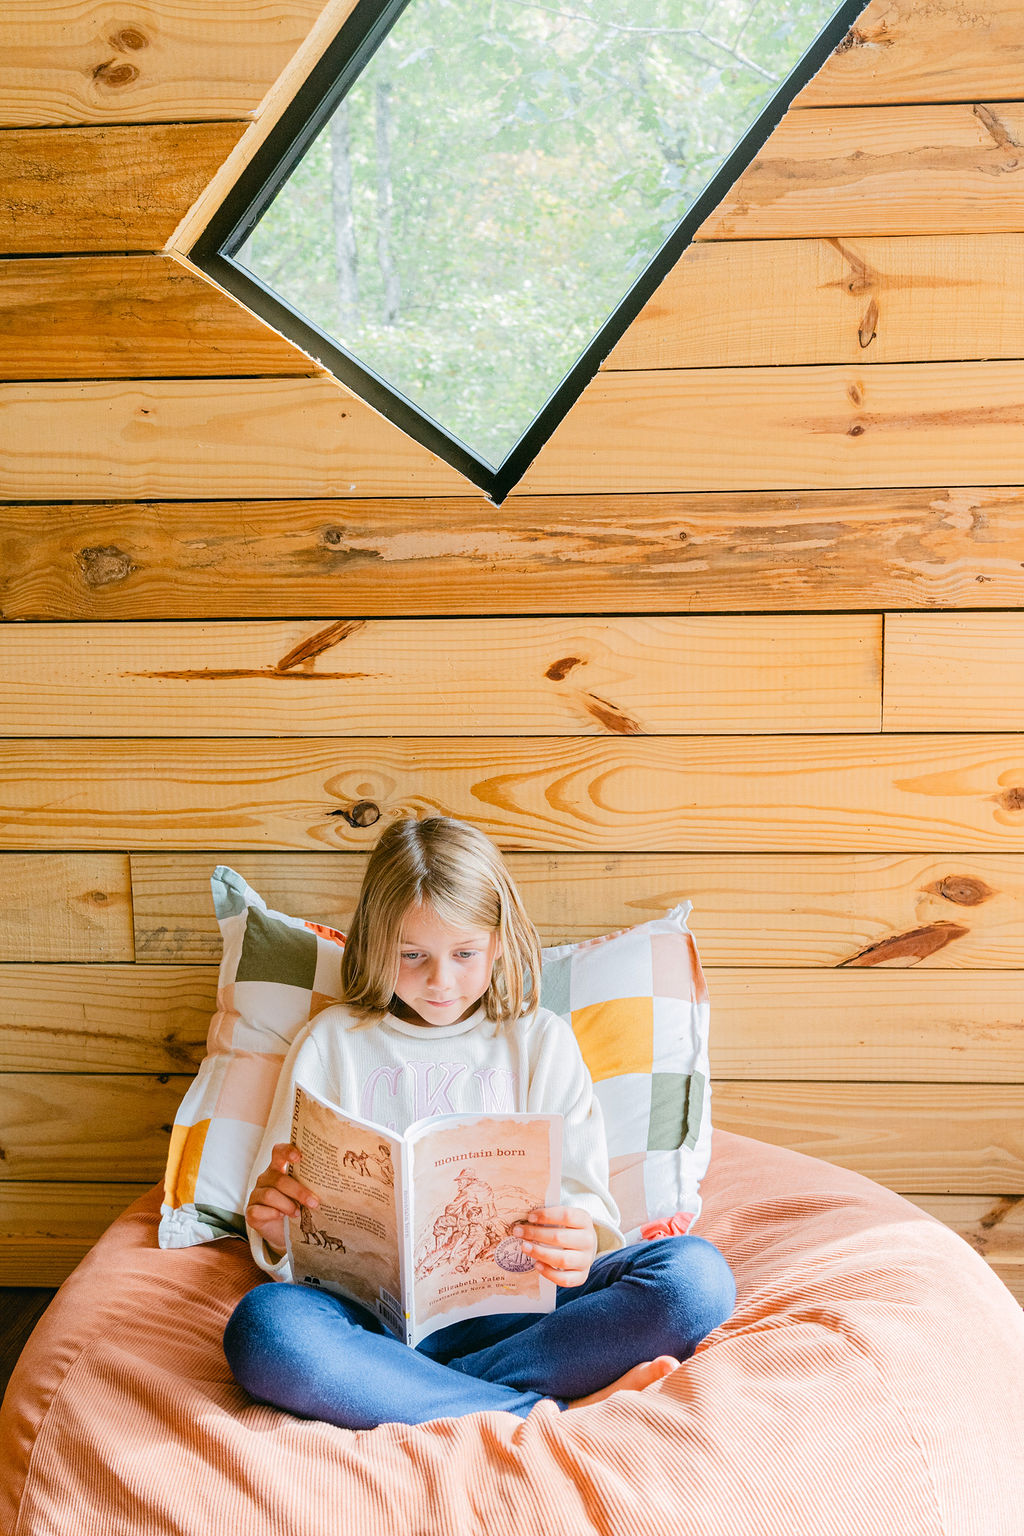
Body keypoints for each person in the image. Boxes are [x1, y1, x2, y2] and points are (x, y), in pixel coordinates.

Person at [223, 816, 735, 1428]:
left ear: (497, 942)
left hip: (523, 1313)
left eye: (464, 954)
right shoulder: (332, 1043)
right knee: (265, 1328)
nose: (440, 980)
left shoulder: (538, 1040)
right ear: (376, 944)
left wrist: (581, 1242)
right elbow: (283, 1225)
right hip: (375, 1323)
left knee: (694, 1280)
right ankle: (541, 1408)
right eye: (412, 955)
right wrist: (277, 1230)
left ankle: (422, 1394)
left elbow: (586, 1204)